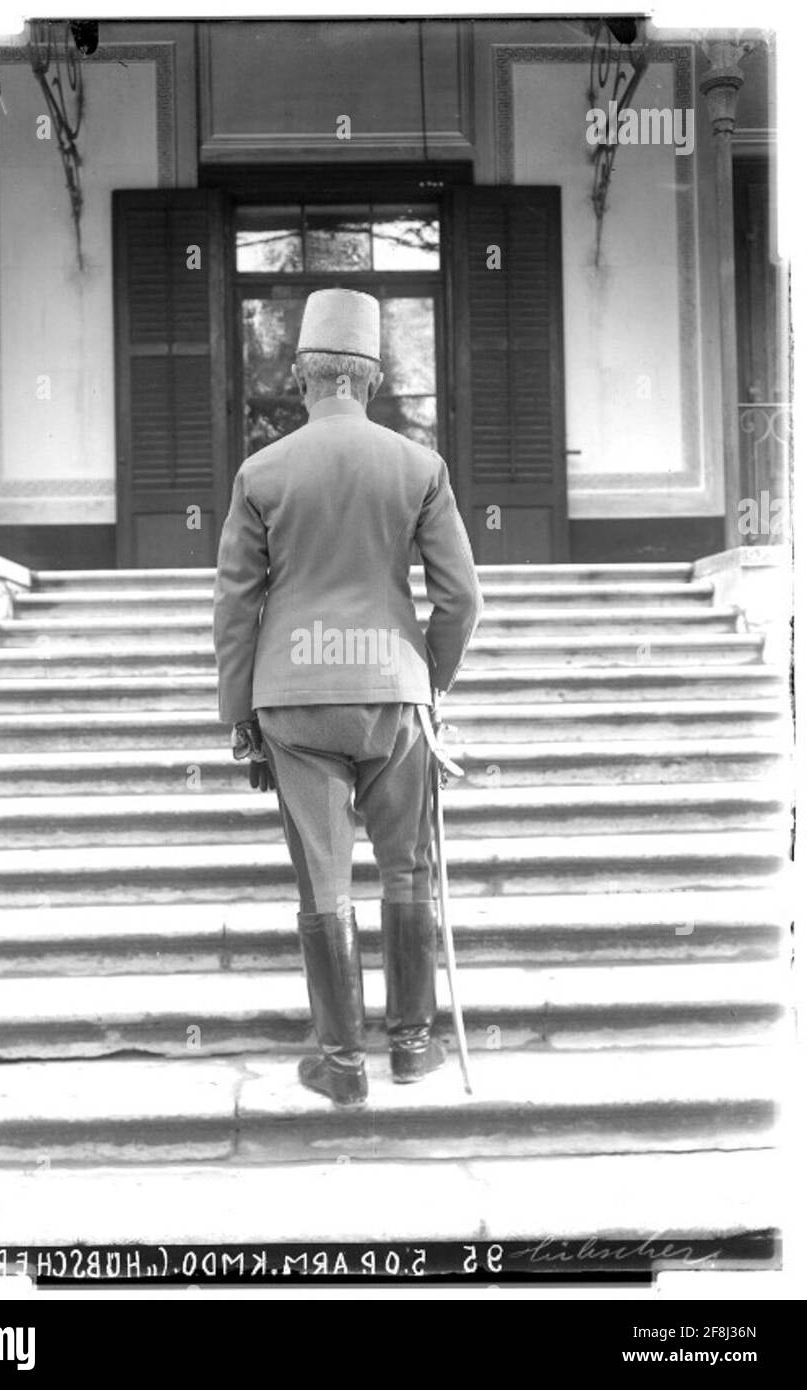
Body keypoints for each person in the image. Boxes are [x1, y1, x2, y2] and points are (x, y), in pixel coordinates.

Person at [213, 287, 483, 1108]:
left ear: (302, 378)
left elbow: (235, 607)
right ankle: (409, 1048)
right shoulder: (419, 467)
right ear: (371, 380)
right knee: (405, 871)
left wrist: (238, 717)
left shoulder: (261, 470)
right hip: (391, 694)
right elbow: (460, 600)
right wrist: (425, 680)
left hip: (293, 700)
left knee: (322, 887)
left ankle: (341, 1065)